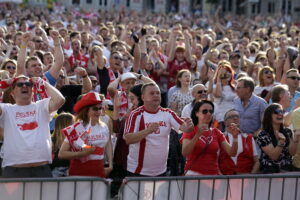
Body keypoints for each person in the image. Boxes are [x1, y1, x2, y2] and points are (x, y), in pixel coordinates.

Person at [0, 75, 65, 178]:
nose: (24, 86)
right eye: (20, 84)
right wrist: (2, 86)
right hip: (14, 170)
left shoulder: (41, 106)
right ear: (12, 93)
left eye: (28, 84)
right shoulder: (6, 109)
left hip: (41, 168)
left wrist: (43, 82)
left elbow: (60, 100)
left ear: (33, 91)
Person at [123, 82, 194, 176]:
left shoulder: (168, 113)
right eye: (152, 93)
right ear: (143, 97)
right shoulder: (135, 114)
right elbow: (128, 139)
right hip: (138, 172)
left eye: (158, 93)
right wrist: (148, 130)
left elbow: (185, 129)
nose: (156, 95)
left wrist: (190, 125)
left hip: (161, 172)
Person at [59, 92, 113, 178]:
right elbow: (61, 154)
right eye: (95, 109)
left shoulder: (104, 126)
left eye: (100, 108)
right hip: (79, 172)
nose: (98, 112)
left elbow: (108, 144)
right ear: (86, 110)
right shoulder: (76, 128)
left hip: (98, 171)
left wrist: (110, 166)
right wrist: (82, 154)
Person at [181, 100, 238, 175]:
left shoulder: (217, 132)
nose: (208, 114)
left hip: (213, 176)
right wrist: (197, 136)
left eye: (211, 111)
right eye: (205, 111)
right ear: (196, 113)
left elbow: (232, 153)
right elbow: (185, 152)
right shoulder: (190, 130)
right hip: (194, 175)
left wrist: (235, 138)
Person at [256, 103, 300, 173]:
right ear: (269, 116)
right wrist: (281, 142)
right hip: (271, 174)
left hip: (287, 171)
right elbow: (274, 156)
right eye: (277, 112)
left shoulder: (287, 132)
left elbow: (292, 153)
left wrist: (296, 138)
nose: (280, 114)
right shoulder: (263, 135)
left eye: (282, 112)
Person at [219, 109, 260, 175]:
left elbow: (257, 161)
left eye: (237, 116)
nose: (235, 118)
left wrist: (251, 177)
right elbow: (214, 162)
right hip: (225, 179)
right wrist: (221, 179)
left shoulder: (248, 138)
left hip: (246, 179)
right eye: (231, 117)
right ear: (225, 122)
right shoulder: (220, 138)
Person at [212, 60, 236, 131]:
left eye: (229, 72)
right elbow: (218, 95)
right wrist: (219, 79)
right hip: (221, 118)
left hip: (233, 117)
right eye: (225, 73)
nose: (227, 74)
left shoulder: (234, 86)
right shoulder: (215, 86)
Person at [51, 112, 74, 177]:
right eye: (72, 124)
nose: (74, 126)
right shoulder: (53, 140)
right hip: (56, 170)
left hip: (71, 169)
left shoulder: (74, 138)